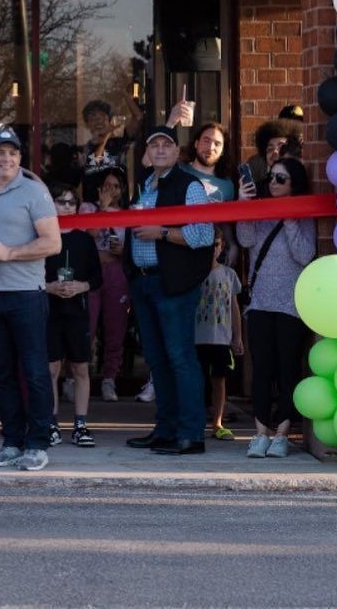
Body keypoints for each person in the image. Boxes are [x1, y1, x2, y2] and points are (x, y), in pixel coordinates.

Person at [0, 126, 61, 472]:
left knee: (34, 371)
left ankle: (38, 443)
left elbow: (53, 242)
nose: (6, 158)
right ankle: (11, 441)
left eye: (13, 153)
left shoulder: (34, 191)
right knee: (1, 372)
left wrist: (10, 252)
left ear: (20, 158)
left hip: (26, 293)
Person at [124, 126, 214, 456]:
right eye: (154, 145)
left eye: (167, 145)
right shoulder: (143, 187)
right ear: (147, 154)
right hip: (143, 282)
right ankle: (165, 430)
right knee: (157, 360)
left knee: (180, 358)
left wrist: (161, 232)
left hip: (174, 283)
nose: (160, 150)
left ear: (177, 152)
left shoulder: (190, 186)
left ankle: (191, 435)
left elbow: (203, 235)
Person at [236, 156, 315, 459]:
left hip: (291, 305)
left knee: (287, 369)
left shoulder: (304, 214)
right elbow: (244, 239)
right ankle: (260, 433)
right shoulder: (261, 209)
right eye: (271, 177)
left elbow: (304, 254)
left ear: (295, 183)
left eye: (281, 178)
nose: (273, 183)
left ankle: (282, 433)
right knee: (261, 369)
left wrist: (291, 219)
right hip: (260, 302)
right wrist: (244, 205)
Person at [46, 184, 102, 448]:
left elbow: (97, 277)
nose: (67, 207)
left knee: (80, 367)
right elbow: (29, 275)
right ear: (51, 204)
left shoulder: (84, 239)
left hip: (77, 310)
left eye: (71, 203)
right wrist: (50, 287)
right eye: (61, 202)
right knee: (51, 368)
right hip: (50, 309)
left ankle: (80, 425)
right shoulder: (43, 237)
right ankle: (51, 423)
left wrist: (81, 286)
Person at [80, 167, 129, 402]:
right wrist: (102, 207)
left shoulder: (128, 214)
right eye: (107, 186)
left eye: (116, 186)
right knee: (86, 326)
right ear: (99, 187)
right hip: (91, 272)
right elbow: (90, 232)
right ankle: (75, 378)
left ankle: (110, 378)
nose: (112, 190)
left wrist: (123, 251)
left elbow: (133, 247)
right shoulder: (88, 208)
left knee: (115, 328)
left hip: (117, 273)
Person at [194, 229, 243, 442]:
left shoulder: (229, 274)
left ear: (222, 246)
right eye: (208, 245)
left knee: (219, 380)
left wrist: (237, 336)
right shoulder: (193, 274)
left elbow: (234, 308)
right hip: (197, 337)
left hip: (221, 337)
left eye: (216, 244)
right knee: (196, 381)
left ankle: (218, 422)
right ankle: (195, 422)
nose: (212, 249)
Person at [181, 123, 236, 204]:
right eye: (206, 141)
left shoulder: (228, 185)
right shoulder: (179, 171)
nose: (210, 148)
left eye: (217, 144)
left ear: (222, 151)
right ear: (196, 144)